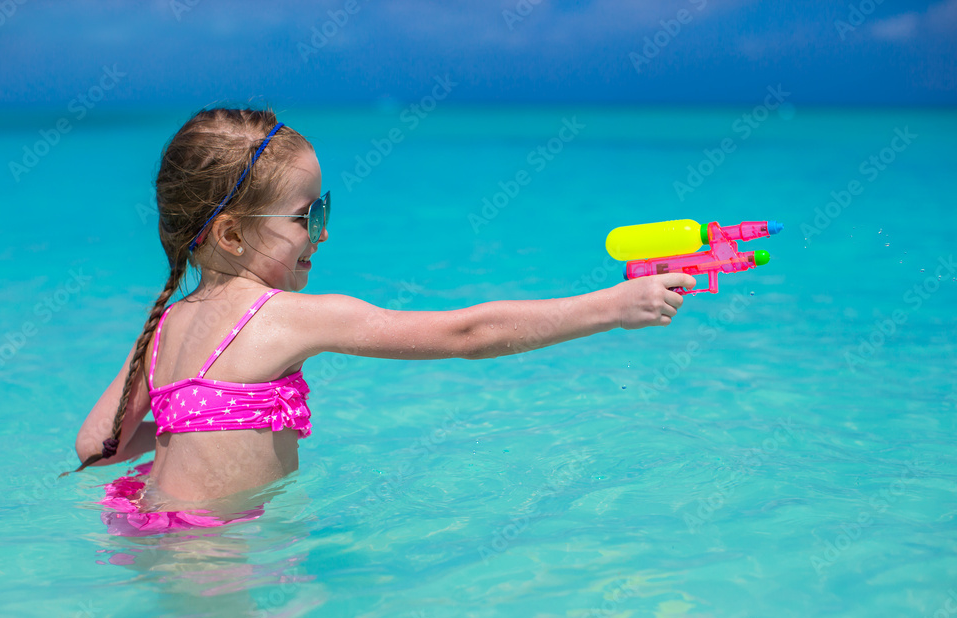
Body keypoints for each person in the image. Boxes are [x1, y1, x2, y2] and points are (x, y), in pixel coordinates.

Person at [70, 108, 694, 515]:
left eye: (323, 210)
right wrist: (611, 307)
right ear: (232, 234)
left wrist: (203, 430)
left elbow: (99, 443)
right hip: (217, 555)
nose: (321, 233)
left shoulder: (165, 324)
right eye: (306, 216)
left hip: (149, 526)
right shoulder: (285, 315)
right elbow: (468, 334)